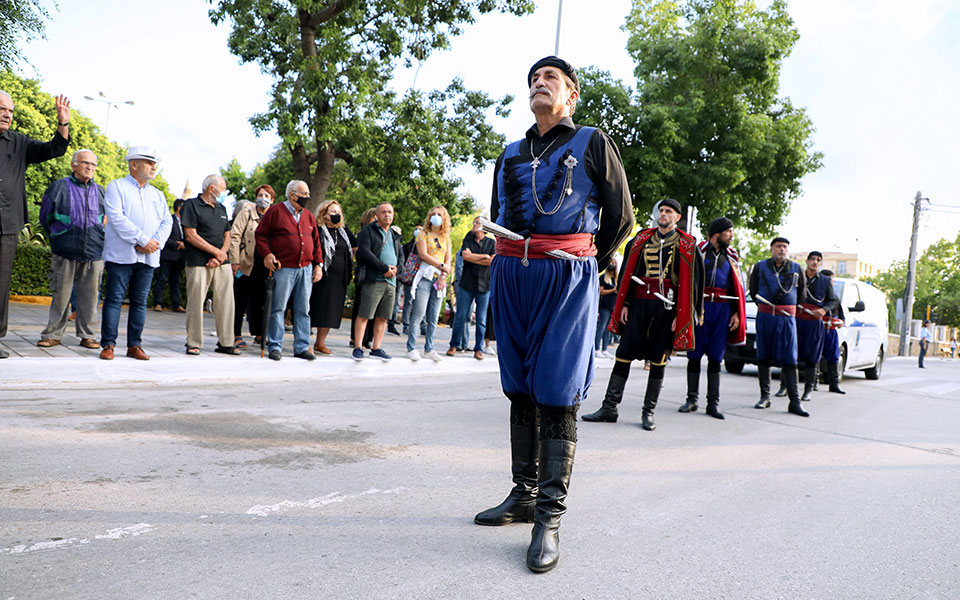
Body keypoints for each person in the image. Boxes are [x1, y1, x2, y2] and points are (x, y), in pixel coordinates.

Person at [474, 56, 633, 574]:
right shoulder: (510, 152)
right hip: (512, 273)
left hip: (565, 274)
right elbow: (499, 214)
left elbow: (622, 217)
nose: (539, 84)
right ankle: (522, 495)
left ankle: (549, 518)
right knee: (519, 385)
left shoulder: (592, 142)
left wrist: (586, 262)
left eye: (551, 79)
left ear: (571, 95)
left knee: (558, 390)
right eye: (534, 79)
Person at [581, 199, 704, 431]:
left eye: (669, 212)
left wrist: (681, 316)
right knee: (623, 353)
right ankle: (609, 407)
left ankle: (648, 412)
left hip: (666, 309)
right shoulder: (641, 239)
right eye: (662, 210)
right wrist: (625, 303)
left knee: (658, 359)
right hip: (638, 305)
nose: (663, 214)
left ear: (677, 217)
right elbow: (629, 272)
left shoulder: (687, 245)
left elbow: (692, 285)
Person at [0, 91, 70, 358]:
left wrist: (62, 123)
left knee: (1, 284)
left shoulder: (19, 142)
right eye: (2, 109)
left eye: (10, 111)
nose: (7, 114)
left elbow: (55, 149)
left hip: (6, 224)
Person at [99, 147, 172, 361]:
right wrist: (142, 240)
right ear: (133, 164)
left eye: (154, 163)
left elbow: (167, 221)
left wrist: (154, 244)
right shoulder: (117, 186)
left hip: (148, 256)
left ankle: (134, 345)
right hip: (122, 254)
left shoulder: (157, 194)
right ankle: (108, 344)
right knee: (114, 299)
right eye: (149, 162)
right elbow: (116, 217)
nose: (153, 167)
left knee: (140, 302)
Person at [36, 149, 105, 350]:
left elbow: (106, 219)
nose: (90, 167)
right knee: (61, 295)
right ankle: (53, 334)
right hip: (64, 250)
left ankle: (88, 335)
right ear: (73, 165)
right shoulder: (58, 187)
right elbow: (45, 217)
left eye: (93, 164)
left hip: (94, 252)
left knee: (90, 297)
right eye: (85, 163)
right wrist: (59, 236)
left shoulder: (101, 191)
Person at [678, 217, 745, 420]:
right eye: (729, 231)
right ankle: (692, 399)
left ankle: (712, 404)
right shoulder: (698, 251)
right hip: (700, 307)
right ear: (717, 233)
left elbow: (737, 288)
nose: (731, 235)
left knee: (716, 356)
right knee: (694, 354)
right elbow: (686, 279)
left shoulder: (732, 256)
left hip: (722, 310)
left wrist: (736, 312)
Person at [255, 180, 323, 361]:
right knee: (278, 308)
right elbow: (260, 235)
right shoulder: (275, 212)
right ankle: (275, 345)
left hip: (305, 268)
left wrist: (318, 264)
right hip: (283, 268)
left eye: (308, 194)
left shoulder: (308, 216)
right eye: (304, 194)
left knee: (303, 309)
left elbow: (316, 242)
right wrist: (267, 254)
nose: (307, 197)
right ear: (293, 195)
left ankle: (302, 346)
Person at [749, 237, 809, 416]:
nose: (781, 249)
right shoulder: (760, 266)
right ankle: (765, 397)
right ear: (771, 249)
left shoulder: (796, 268)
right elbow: (753, 290)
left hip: (786, 318)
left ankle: (795, 402)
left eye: (784, 247)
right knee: (763, 357)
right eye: (778, 246)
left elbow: (802, 294)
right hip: (766, 317)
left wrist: (785, 308)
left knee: (790, 359)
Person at [181, 174, 237, 356]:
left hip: (222, 262)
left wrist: (220, 256)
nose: (224, 192)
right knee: (196, 301)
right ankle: (193, 342)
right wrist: (215, 252)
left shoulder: (222, 208)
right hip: (198, 261)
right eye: (223, 188)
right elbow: (191, 235)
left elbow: (228, 235)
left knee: (226, 302)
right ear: (212, 188)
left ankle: (226, 342)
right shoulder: (191, 205)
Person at [353, 202, 404, 361]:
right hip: (374, 279)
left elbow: (401, 257)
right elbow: (364, 253)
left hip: (391, 282)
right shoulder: (368, 231)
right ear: (376, 215)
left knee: (383, 317)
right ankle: (358, 347)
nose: (387, 215)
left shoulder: (395, 235)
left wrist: (397, 269)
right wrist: (384, 268)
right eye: (383, 212)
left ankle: (376, 348)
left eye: (390, 212)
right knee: (365, 314)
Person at [406, 206, 452, 362]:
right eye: (434, 214)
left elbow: (448, 261)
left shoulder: (446, 238)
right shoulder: (423, 234)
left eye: (439, 214)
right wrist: (441, 266)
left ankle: (429, 349)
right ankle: (411, 348)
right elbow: (423, 255)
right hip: (425, 278)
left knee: (433, 318)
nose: (436, 217)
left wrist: (443, 276)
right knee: (418, 315)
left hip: (439, 280)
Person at [310, 200, 356, 355]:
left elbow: (355, 244)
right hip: (321, 276)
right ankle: (304, 342)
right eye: (333, 212)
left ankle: (320, 343)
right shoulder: (318, 229)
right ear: (324, 214)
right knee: (315, 309)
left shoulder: (343, 230)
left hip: (339, 279)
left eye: (338, 212)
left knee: (330, 312)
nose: (337, 215)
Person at [230, 184, 273, 348]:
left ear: (272, 200)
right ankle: (236, 334)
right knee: (239, 301)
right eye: (260, 195)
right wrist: (235, 261)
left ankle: (259, 333)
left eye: (267, 196)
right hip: (245, 263)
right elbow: (235, 236)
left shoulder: (273, 216)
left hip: (264, 266)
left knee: (259, 301)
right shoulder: (246, 213)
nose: (263, 198)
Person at [447, 216, 496, 359]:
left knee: (481, 320)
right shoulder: (469, 237)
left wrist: (477, 257)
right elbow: (465, 256)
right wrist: (484, 256)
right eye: (474, 222)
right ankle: (454, 345)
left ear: (485, 227)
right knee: (461, 316)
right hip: (467, 284)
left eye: (478, 222)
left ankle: (478, 349)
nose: (475, 224)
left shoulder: (491, 242)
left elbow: (492, 261)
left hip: (484, 286)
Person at [795, 251, 839, 400]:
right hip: (797, 319)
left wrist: (823, 310)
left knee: (812, 356)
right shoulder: (797, 277)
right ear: (807, 261)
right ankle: (785, 386)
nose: (815, 262)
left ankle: (808, 389)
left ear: (820, 263)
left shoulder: (825, 281)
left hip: (814, 322)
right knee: (791, 353)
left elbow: (832, 300)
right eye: (812, 259)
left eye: (818, 260)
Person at [351, 207, 379, 348]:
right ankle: (356, 338)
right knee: (360, 308)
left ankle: (368, 338)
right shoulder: (364, 234)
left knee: (373, 310)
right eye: (374, 218)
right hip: (364, 275)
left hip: (377, 275)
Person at [153, 199, 186, 313]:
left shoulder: (186, 222)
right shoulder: (169, 220)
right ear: (179, 208)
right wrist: (177, 245)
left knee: (175, 280)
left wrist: (185, 245)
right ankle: (158, 303)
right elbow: (164, 236)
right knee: (162, 279)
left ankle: (176, 304)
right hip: (168, 254)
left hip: (180, 256)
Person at [819, 269, 846, 392]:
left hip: (830, 331)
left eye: (832, 280)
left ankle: (833, 384)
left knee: (833, 356)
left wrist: (840, 322)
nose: (832, 282)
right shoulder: (815, 296)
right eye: (830, 280)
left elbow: (841, 316)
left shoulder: (835, 298)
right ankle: (812, 383)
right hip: (816, 329)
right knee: (811, 355)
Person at [400, 224, 423, 335]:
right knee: (408, 301)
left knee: (421, 302)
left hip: (422, 276)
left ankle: (423, 326)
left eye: (420, 229)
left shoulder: (426, 245)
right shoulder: (408, 246)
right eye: (416, 229)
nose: (417, 231)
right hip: (410, 276)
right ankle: (406, 325)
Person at [594, 262, 618, 359]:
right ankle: (596, 349)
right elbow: (601, 291)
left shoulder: (615, 279)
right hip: (604, 306)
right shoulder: (603, 277)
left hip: (613, 306)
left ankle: (605, 349)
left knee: (608, 329)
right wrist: (613, 290)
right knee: (601, 327)